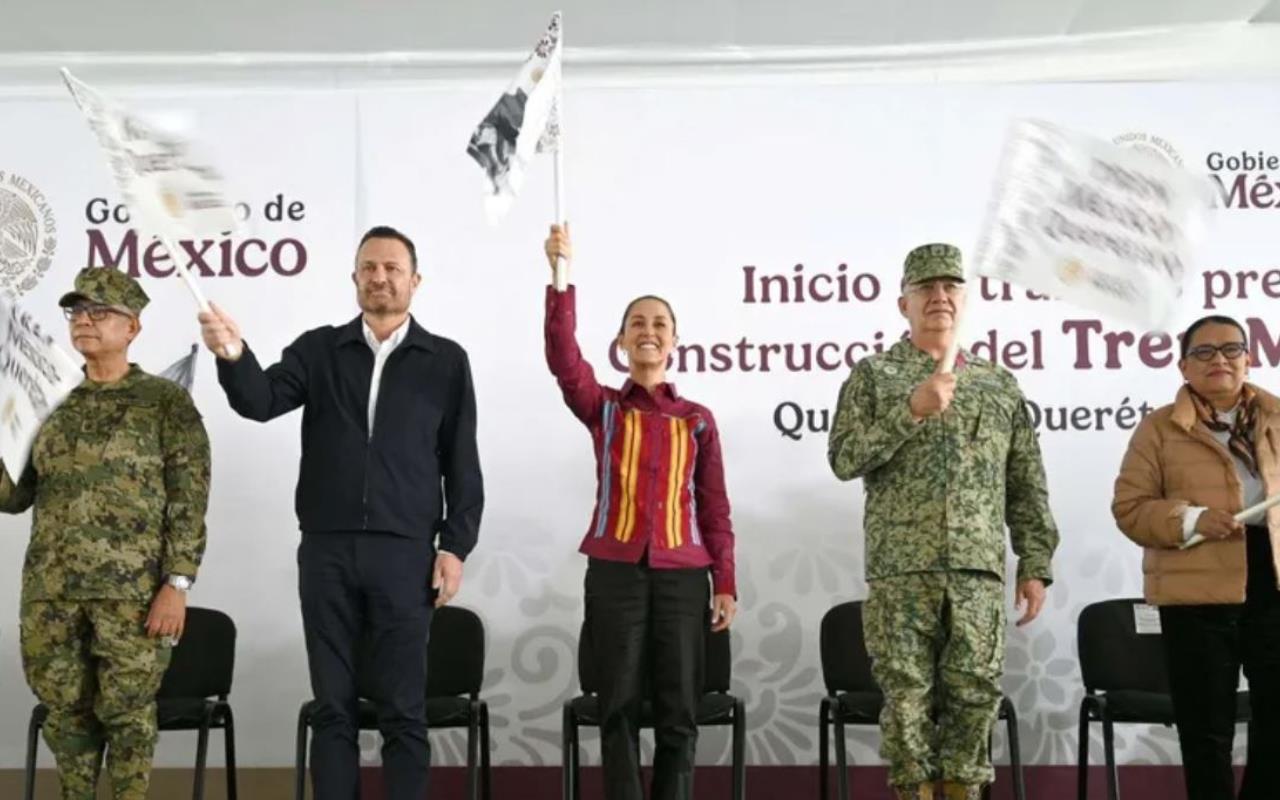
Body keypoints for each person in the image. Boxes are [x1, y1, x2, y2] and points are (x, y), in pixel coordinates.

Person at [198, 225, 483, 800]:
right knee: (334, 709)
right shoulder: (319, 349)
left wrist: (454, 546)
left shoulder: (446, 361)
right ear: (354, 278)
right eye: (369, 267)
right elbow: (259, 401)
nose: (380, 277)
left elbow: (462, 463)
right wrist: (233, 353)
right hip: (326, 550)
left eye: (392, 268)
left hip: (406, 555)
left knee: (404, 710)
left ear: (414, 281)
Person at [827, 243, 1059, 800]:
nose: (939, 297)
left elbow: (1025, 480)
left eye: (950, 286)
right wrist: (911, 410)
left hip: (977, 572)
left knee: (975, 695)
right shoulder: (875, 376)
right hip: (901, 571)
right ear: (902, 303)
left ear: (965, 299)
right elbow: (843, 458)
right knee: (905, 697)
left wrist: (1035, 562)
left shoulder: (998, 384)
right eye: (925, 288)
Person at [0, 267, 210, 800]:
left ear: (133, 327)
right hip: (53, 593)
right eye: (76, 312)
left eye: (101, 312)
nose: (85, 321)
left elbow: (189, 499)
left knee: (128, 716)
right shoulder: (48, 402)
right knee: (66, 716)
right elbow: (13, 497)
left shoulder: (164, 403)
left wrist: (177, 584)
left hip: (133, 596)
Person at [543, 223, 736, 800]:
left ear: (674, 341)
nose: (648, 332)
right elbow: (562, 358)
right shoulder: (602, 407)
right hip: (615, 574)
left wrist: (723, 580)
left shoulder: (696, 418)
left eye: (659, 324)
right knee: (617, 705)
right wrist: (560, 277)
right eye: (637, 324)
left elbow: (715, 506)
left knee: (680, 709)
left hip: (684, 577)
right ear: (622, 342)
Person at [1112, 314, 1280, 800]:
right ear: (1183, 367)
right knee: (1206, 733)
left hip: (1271, 582)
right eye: (1204, 352)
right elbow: (1130, 509)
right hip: (1195, 592)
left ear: (1248, 360)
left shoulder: (1275, 417)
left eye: (1231, 349)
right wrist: (1192, 518)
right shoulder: (1159, 430)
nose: (1219, 360)